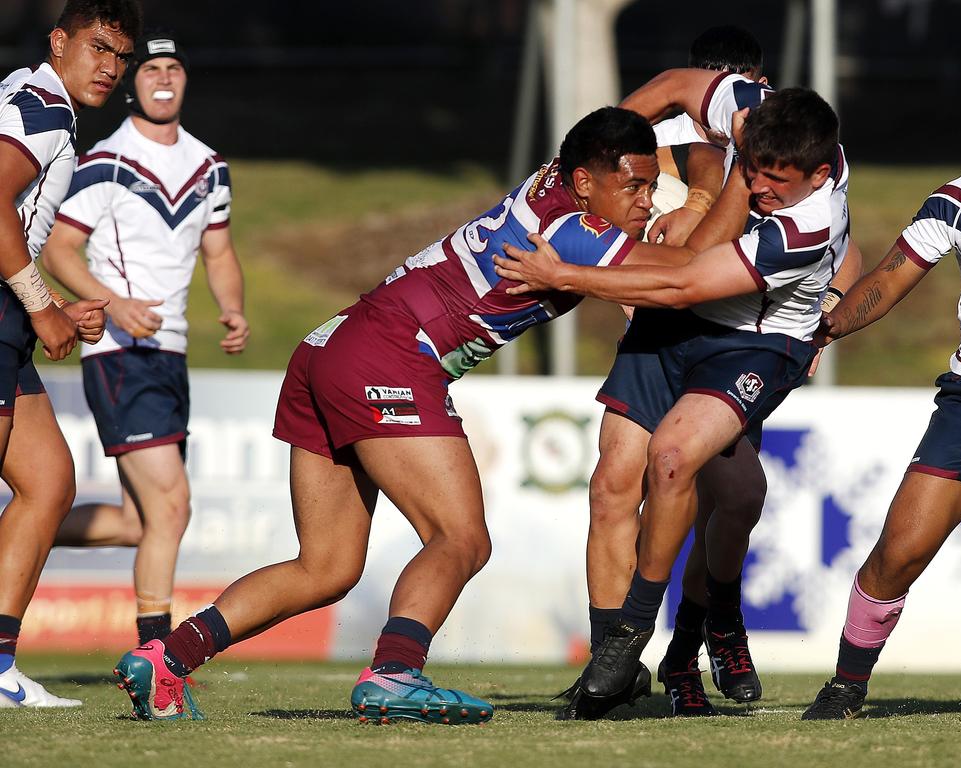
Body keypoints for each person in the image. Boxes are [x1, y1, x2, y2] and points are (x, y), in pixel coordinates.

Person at [111, 105, 705, 723]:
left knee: (326, 567)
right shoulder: (575, 229)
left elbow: (631, 125)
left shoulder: (549, 178)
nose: (645, 200)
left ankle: (166, 658)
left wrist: (686, 144)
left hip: (329, 347)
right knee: (462, 539)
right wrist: (716, 198)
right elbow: (693, 274)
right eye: (633, 186)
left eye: (648, 184)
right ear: (584, 181)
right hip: (391, 357)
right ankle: (395, 673)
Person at [495, 81, 849, 707]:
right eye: (755, 170)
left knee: (693, 471)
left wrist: (564, 275)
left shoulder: (806, 226)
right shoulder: (752, 119)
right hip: (674, 322)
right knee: (611, 485)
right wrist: (597, 157)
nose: (761, 188)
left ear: (820, 173)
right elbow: (679, 88)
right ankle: (616, 662)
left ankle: (650, 630)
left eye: (776, 181)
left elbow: (687, 279)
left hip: (753, 344)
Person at [801, 53, 961, 720]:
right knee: (898, 553)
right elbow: (890, 277)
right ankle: (847, 685)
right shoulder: (960, 203)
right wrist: (827, 328)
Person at [43, 31, 248, 650]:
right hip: (120, 351)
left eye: (173, 68)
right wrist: (118, 305)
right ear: (134, 81)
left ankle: (19, 530)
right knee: (172, 509)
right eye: (150, 67)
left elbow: (219, 250)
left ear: (186, 80)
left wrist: (233, 309)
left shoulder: (210, 166)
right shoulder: (107, 159)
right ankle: (155, 655)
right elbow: (58, 246)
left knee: (140, 521)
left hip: (171, 354)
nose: (162, 77)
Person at [0, 0, 140, 710]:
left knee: (49, 481)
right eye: (98, 48)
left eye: (121, 57)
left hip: (8, 310)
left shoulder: (32, 100)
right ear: (59, 41)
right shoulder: (43, 108)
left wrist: (51, 302)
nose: (111, 68)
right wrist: (39, 303)